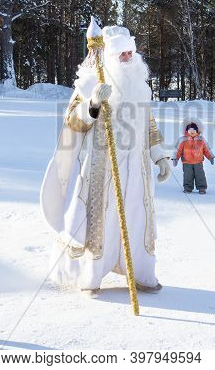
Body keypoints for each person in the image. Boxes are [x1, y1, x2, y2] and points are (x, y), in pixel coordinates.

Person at [40, 25, 170, 297]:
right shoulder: (89, 83)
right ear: (109, 55)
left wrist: (159, 156)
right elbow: (73, 123)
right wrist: (93, 104)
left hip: (137, 169)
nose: (127, 58)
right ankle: (91, 276)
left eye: (130, 52)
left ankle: (142, 273)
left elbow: (148, 123)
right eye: (122, 53)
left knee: (137, 218)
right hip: (102, 166)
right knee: (102, 220)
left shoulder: (141, 87)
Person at [172, 118, 214, 194]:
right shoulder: (183, 140)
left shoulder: (201, 140)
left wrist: (211, 157)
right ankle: (188, 188)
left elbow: (207, 149)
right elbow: (177, 150)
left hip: (198, 162)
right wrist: (175, 158)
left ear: (197, 131)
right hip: (187, 162)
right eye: (190, 130)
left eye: (194, 130)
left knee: (200, 175)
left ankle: (202, 188)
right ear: (186, 131)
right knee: (188, 176)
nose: (192, 131)